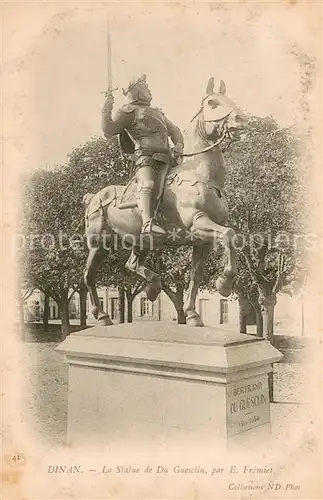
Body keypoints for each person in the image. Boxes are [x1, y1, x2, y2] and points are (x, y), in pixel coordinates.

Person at [101, 74, 184, 235]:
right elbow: (108, 130)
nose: (149, 89)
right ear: (136, 91)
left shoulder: (157, 112)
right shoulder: (127, 111)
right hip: (147, 160)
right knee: (147, 185)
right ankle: (147, 223)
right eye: (145, 87)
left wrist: (179, 145)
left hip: (169, 159)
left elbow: (175, 131)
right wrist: (107, 107)